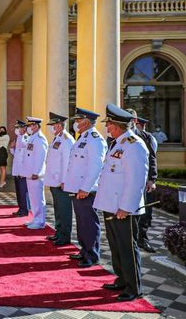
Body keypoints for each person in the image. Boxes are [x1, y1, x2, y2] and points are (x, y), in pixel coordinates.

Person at [94, 104, 149, 302]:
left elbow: (136, 180)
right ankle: (121, 279)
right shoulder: (118, 143)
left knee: (127, 248)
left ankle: (133, 287)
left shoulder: (134, 144)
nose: (107, 127)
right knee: (116, 246)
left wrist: (126, 206)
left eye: (109, 124)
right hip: (111, 205)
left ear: (117, 125)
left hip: (124, 208)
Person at [63, 107, 107, 268]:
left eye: (77, 120)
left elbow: (95, 167)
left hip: (86, 190)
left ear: (86, 122)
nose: (75, 123)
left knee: (89, 222)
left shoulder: (95, 139)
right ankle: (84, 250)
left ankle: (92, 255)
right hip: (78, 188)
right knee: (81, 222)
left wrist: (85, 188)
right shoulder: (83, 137)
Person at [126, 111, 158, 253]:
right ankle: (129, 240)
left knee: (144, 213)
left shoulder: (145, 137)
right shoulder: (118, 137)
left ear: (134, 120)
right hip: (126, 181)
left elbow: (152, 159)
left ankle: (142, 240)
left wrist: (152, 179)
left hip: (144, 182)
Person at [43, 112, 75, 245]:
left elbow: (67, 162)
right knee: (58, 209)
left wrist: (64, 180)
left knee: (64, 210)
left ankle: (64, 236)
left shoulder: (67, 140)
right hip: (54, 181)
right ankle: (58, 232)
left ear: (60, 125)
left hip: (61, 183)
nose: (51, 128)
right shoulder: (57, 138)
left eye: (53, 125)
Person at [21, 117, 48, 229]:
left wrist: (36, 172)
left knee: (38, 198)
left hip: (35, 174)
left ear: (36, 126)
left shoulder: (40, 139)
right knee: (33, 198)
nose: (28, 127)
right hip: (30, 172)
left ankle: (40, 221)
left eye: (30, 125)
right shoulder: (33, 138)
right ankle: (36, 218)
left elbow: (41, 158)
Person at [10, 120, 29, 217]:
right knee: (18, 191)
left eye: (19, 127)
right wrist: (12, 148)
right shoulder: (18, 137)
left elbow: (26, 155)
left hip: (22, 170)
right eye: (16, 127)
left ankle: (24, 210)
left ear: (24, 128)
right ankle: (21, 208)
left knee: (23, 191)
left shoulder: (26, 138)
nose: (17, 129)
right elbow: (16, 154)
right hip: (17, 169)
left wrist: (24, 170)